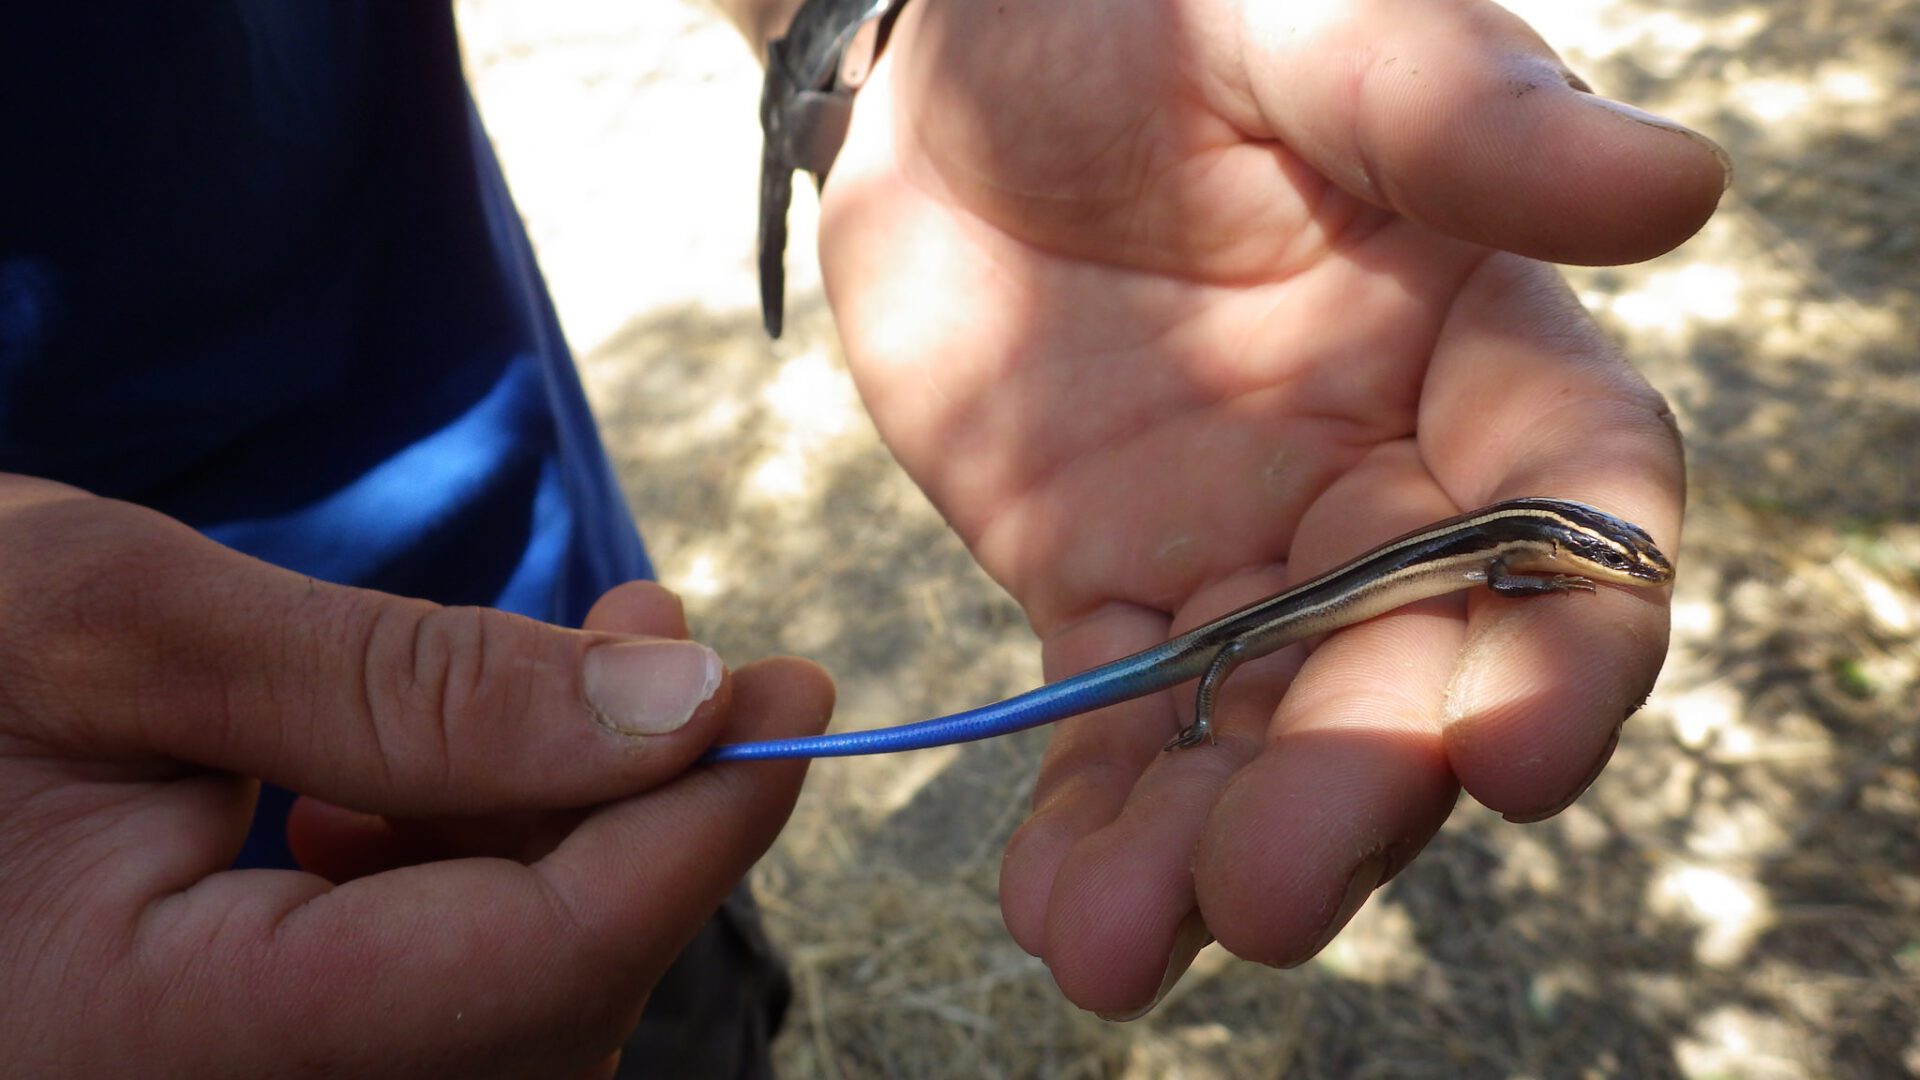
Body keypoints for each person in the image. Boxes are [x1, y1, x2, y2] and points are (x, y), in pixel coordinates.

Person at [0, 0, 1721, 1074]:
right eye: (1600, 555)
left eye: (1597, 565)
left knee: (667, 990)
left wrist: (879, 21)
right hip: (99, 914)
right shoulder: (1499, 545)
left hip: (572, 664)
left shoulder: (1506, 542)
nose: (1607, 564)